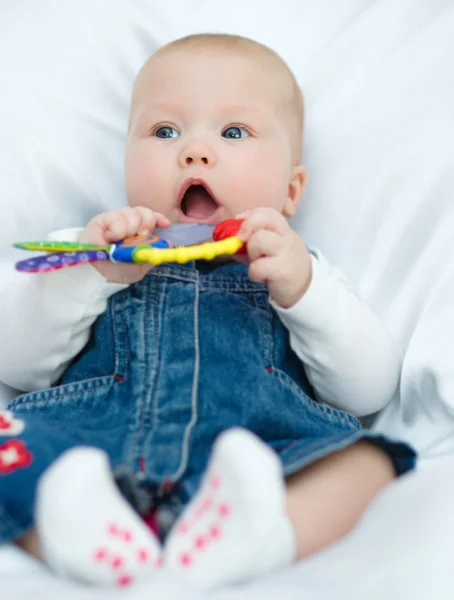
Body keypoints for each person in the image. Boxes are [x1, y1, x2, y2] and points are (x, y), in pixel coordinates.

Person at [0, 33, 415, 589]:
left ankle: (263, 535)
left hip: (265, 452)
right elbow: (15, 362)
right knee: (10, 445)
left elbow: (369, 392)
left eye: (234, 132)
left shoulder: (300, 268)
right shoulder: (92, 250)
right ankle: (70, 531)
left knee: (371, 461)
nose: (194, 151)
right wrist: (94, 270)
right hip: (89, 444)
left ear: (291, 192)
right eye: (164, 131)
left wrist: (303, 291)